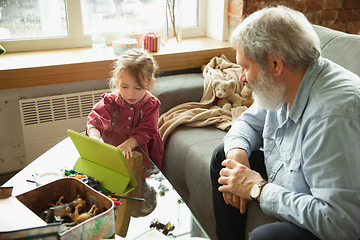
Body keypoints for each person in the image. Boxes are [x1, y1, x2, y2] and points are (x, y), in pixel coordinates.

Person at [210, 6, 360, 240]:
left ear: (275, 64)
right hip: (297, 186)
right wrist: (236, 154)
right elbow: (247, 124)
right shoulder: (286, 80)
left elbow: (341, 222)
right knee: (224, 157)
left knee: (266, 237)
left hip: (333, 217)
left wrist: (257, 189)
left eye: (246, 67)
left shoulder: (331, 116)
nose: (241, 77)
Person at [87, 49, 163, 178]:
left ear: (149, 84)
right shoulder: (110, 101)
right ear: (117, 82)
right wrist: (95, 138)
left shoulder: (151, 104)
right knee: (113, 178)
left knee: (138, 182)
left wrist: (128, 144)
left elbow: (147, 130)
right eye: (125, 86)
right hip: (113, 147)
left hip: (140, 149)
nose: (130, 93)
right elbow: (95, 119)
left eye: (138, 88)